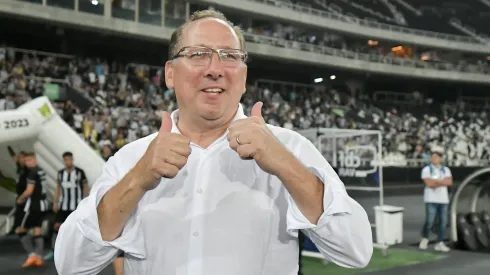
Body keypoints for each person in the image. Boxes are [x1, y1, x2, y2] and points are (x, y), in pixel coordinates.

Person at [54, 10, 373, 275]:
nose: (215, 69)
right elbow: (70, 263)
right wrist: (137, 180)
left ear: (244, 76)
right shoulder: (133, 159)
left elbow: (355, 250)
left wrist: (286, 166)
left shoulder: (289, 147)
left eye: (229, 57)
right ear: (169, 74)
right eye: (198, 55)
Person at [44, 152, 89, 260]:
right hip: (63, 206)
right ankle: (54, 251)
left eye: (70, 159)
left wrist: (85, 202)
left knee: (78, 229)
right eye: (66, 160)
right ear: (64, 161)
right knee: (56, 227)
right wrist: (55, 202)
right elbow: (58, 188)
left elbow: (85, 187)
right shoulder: (61, 173)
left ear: (72, 160)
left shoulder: (79, 172)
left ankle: (80, 252)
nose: (68, 162)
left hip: (76, 206)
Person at [16, 152, 49, 268]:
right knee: (37, 230)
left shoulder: (32, 173)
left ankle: (32, 255)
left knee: (20, 229)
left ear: (34, 159)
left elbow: (29, 191)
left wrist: (20, 198)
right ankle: (39, 258)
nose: (27, 163)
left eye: (29, 160)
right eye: (26, 161)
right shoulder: (41, 170)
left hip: (33, 206)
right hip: (43, 205)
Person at [418, 150, 452, 252]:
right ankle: (425, 239)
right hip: (431, 199)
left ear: (440, 158)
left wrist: (436, 182)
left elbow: (449, 182)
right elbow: (429, 184)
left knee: (443, 222)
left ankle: (440, 242)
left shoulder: (446, 169)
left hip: (443, 200)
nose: (434, 159)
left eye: (436, 157)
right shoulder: (426, 170)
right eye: (433, 157)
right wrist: (442, 182)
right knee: (429, 221)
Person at [7, 148, 28, 235]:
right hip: (19, 196)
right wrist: (10, 150)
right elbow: (14, 158)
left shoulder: (28, 170)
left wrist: (24, 197)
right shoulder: (20, 168)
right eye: (19, 157)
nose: (19, 159)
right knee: (18, 214)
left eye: (22, 157)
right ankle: (14, 229)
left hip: (25, 197)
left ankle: (21, 230)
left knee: (23, 214)